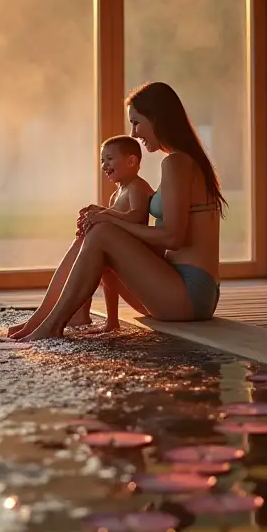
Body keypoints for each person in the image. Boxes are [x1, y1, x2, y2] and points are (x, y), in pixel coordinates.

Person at [20, 81, 224, 341]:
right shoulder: (183, 161)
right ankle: (41, 321)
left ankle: (49, 325)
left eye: (137, 123)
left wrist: (111, 221)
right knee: (93, 232)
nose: (134, 133)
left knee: (102, 231)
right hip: (174, 289)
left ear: (157, 118)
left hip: (189, 295)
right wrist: (107, 220)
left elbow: (174, 238)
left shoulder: (177, 163)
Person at [8, 135, 154, 339]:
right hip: (127, 269)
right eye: (102, 160)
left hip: (143, 281)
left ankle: (44, 318)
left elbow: (136, 217)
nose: (104, 165)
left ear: (131, 161)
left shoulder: (137, 187)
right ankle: (91, 317)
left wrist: (103, 215)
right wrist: (98, 215)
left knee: (91, 239)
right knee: (90, 243)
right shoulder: (118, 192)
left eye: (110, 159)